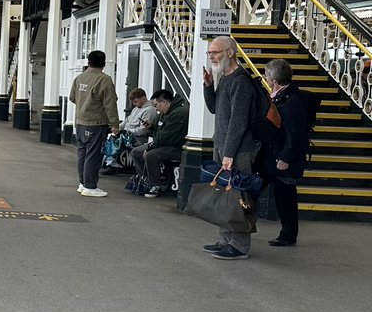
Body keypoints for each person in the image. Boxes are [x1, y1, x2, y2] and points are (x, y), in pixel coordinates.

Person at [202, 35, 260, 260]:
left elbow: (239, 121)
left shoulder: (241, 81)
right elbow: (216, 108)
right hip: (224, 146)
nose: (211, 57)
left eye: (215, 52)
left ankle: (239, 245)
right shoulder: (225, 77)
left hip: (238, 150)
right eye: (210, 53)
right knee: (226, 197)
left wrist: (229, 153)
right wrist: (208, 86)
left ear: (230, 52)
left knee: (239, 197)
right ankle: (226, 239)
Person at [261, 58, 310, 247]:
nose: (266, 78)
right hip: (275, 154)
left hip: (284, 157)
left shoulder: (292, 102)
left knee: (286, 197)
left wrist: (285, 157)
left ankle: (288, 234)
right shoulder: (284, 97)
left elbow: (295, 133)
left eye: (267, 76)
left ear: (274, 79)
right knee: (281, 194)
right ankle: (287, 233)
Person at [69, 50, 120, 197]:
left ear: (88, 62)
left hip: (79, 122)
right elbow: (110, 104)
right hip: (96, 123)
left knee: (82, 153)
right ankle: (90, 186)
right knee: (93, 155)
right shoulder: (104, 80)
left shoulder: (79, 78)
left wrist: (85, 103)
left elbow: (72, 98)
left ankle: (83, 183)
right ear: (104, 64)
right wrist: (115, 124)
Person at [130, 89, 188, 197]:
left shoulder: (179, 113)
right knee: (135, 152)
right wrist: (151, 126)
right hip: (162, 144)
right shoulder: (163, 113)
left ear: (164, 102)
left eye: (157, 105)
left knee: (151, 155)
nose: (156, 108)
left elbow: (166, 136)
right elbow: (159, 129)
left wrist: (149, 148)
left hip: (176, 147)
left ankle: (154, 186)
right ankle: (145, 179)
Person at [103, 88, 158, 173]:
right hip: (127, 134)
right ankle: (108, 162)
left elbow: (142, 131)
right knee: (109, 136)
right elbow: (126, 121)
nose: (134, 104)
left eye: (136, 101)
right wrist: (117, 128)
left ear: (143, 98)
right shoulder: (136, 108)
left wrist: (126, 131)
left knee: (114, 139)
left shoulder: (150, 110)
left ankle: (111, 164)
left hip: (137, 138)